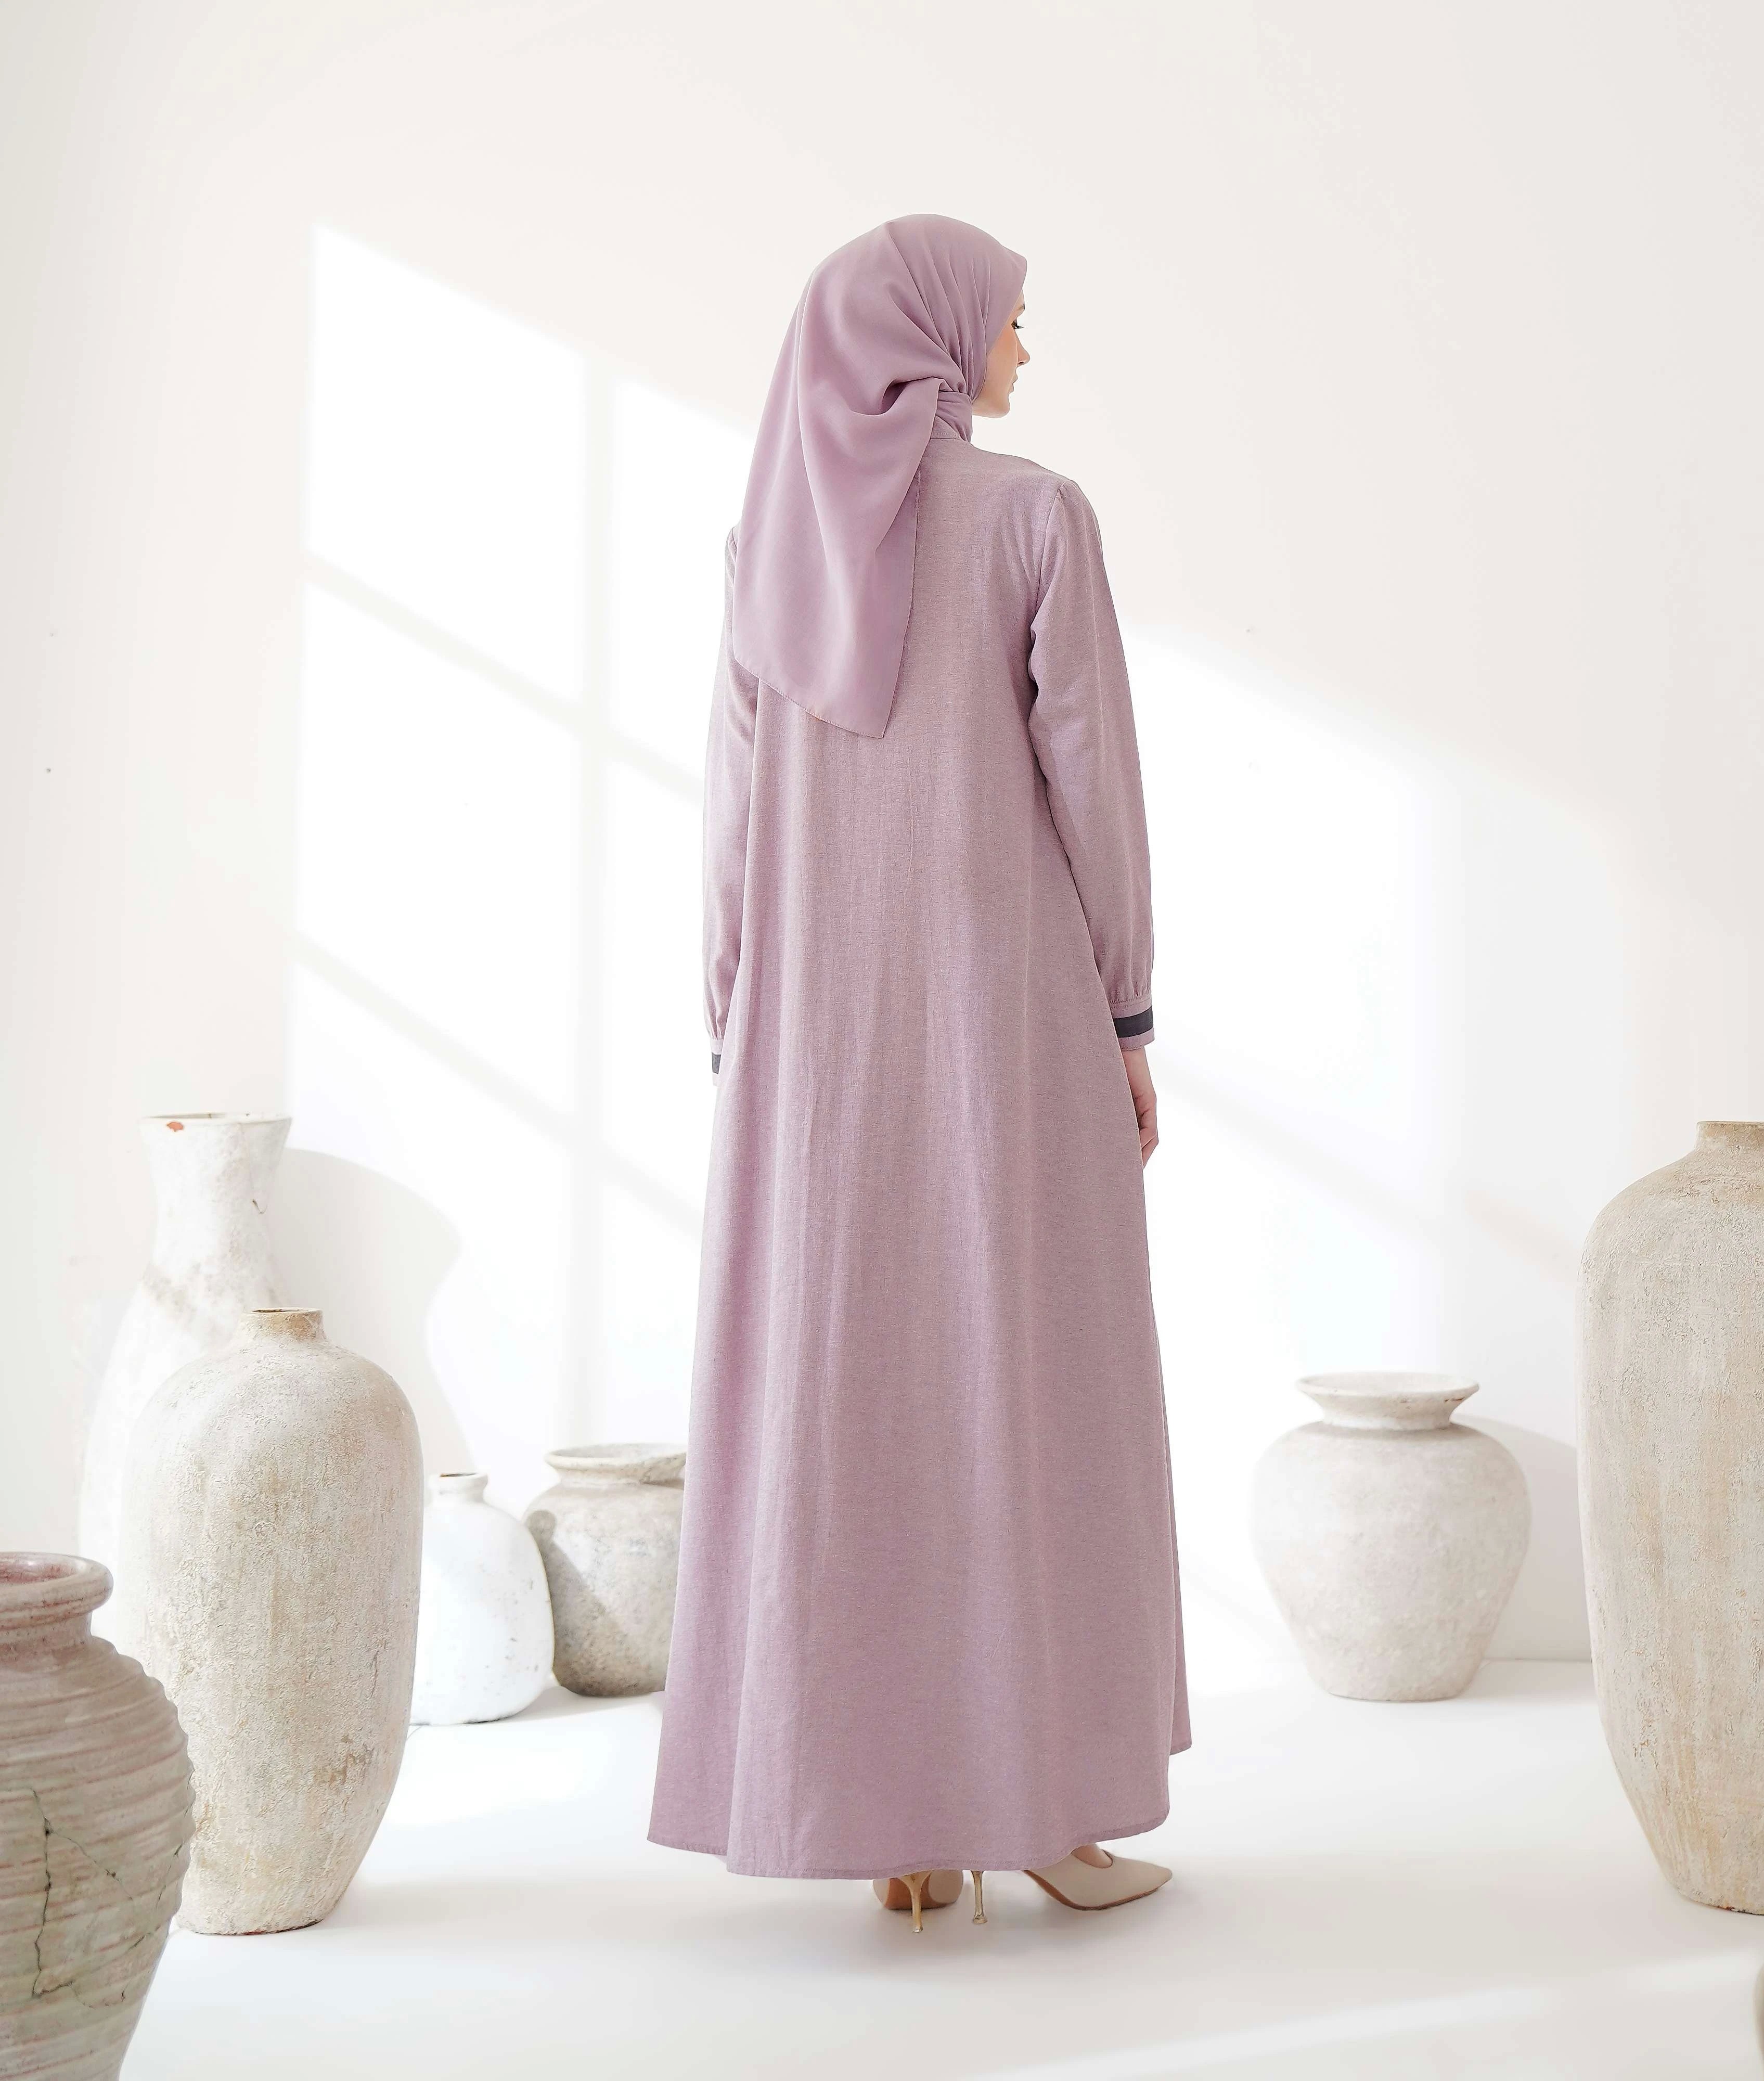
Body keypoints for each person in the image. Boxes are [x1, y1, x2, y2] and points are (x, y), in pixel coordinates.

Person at [647, 215, 1188, 1932]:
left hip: (810, 1046)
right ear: (936, 340)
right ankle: (1046, 1809)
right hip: (1003, 1031)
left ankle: (905, 1821)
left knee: (859, 1396)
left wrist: (739, 1025)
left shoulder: (770, 542)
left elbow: (734, 812)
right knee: (1023, 1384)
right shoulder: (1034, 519)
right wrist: (1127, 1015)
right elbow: (1095, 786)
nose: (1022, 351)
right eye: (1011, 321)